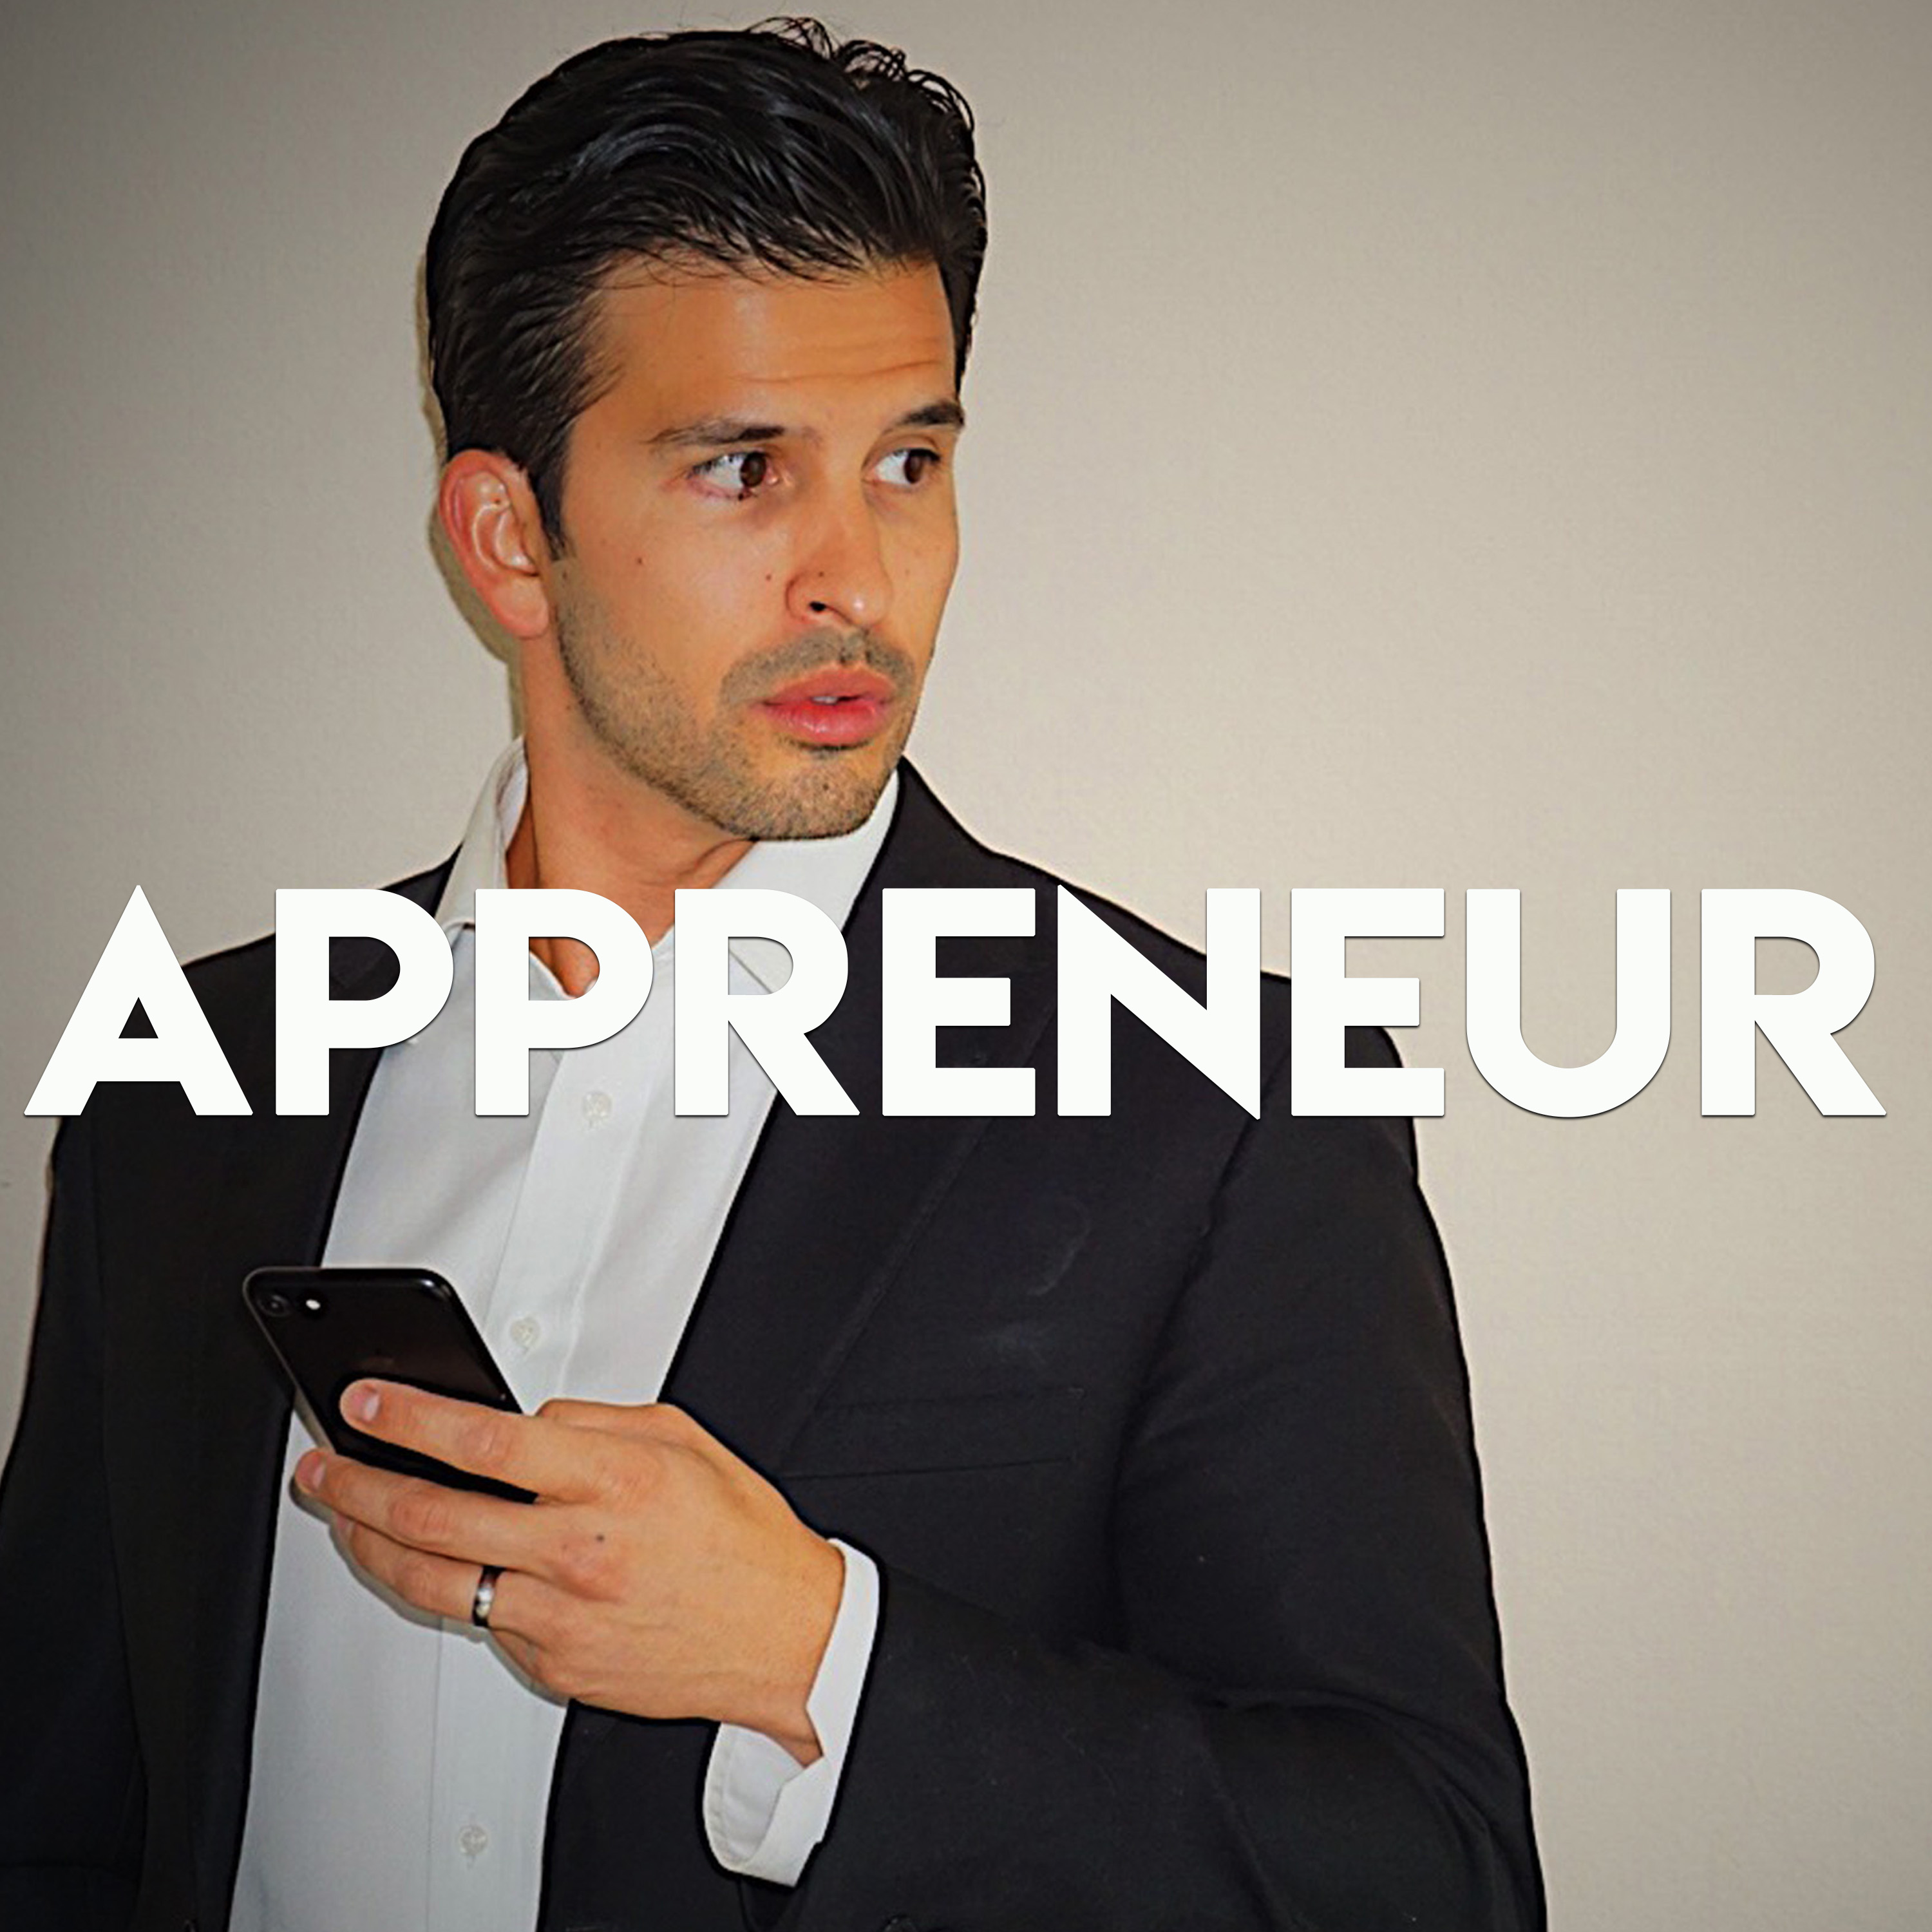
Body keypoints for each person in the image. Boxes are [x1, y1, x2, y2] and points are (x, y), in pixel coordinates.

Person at [0, 21, 1542, 1932]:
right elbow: (55, 1819)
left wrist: (819, 1659)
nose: (858, 581)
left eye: (909, 462)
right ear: (508, 538)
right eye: (742, 470)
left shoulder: (1219, 1113)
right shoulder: (185, 1081)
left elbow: (1430, 1874)